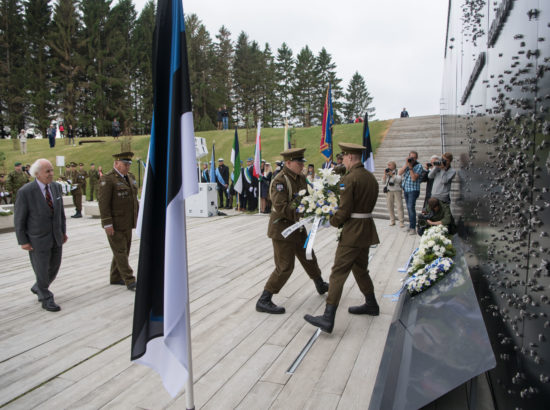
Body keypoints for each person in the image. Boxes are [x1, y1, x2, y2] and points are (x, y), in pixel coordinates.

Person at [304, 142, 379, 333]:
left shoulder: (350, 179)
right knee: (361, 269)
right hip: (366, 229)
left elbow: (344, 210)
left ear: (351, 158)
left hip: (352, 232)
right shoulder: (370, 178)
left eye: (344, 157)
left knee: (338, 273)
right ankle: (371, 304)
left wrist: (331, 221)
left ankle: (328, 317)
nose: (342, 159)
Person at [256, 147, 328, 314]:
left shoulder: (300, 177)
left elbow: (309, 194)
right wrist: (304, 209)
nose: (302, 165)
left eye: (302, 162)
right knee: (285, 266)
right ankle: (264, 299)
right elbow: (281, 206)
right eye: (298, 163)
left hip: (297, 227)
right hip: (282, 229)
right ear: (288, 163)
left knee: (309, 256)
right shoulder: (280, 181)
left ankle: (320, 284)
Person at [14, 159, 68, 312]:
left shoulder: (56, 187)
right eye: (47, 171)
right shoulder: (25, 192)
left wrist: (63, 232)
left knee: (54, 268)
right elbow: (19, 219)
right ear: (37, 174)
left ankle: (39, 286)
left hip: (56, 236)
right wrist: (23, 241)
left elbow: (60, 214)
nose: (51, 174)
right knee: (42, 269)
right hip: (37, 238)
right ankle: (46, 297)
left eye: (52, 170)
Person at [98, 152, 139, 291]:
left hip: (128, 221)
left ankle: (115, 277)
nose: (127, 167)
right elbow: (103, 203)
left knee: (124, 250)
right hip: (115, 223)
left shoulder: (131, 177)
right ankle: (130, 280)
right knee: (120, 251)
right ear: (116, 164)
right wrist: (107, 223)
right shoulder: (108, 180)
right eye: (124, 164)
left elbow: (134, 200)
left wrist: (137, 218)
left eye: (129, 164)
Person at [398, 150, 423, 235]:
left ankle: (413, 228)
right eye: (410, 157)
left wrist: (411, 167)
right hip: (406, 189)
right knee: (409, 208)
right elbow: (399, 173)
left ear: (416, 158)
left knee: (411, 207)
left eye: (414, 157)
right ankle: (411, 225)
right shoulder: (407, 164)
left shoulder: (419, 166)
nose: (412, 159)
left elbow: (414, 178)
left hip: (413, 190)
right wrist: (406, 165)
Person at [383, 161, 404, 227]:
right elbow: (383, 182)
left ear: (394, 166)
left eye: (389, 165)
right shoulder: (387, 172)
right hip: (389, 191)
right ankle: (392, 220)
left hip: (397, 191)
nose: (388, 166)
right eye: (388, 165)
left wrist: (392, 175)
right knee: (390, 206)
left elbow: (399, 180)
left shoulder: (398, 171)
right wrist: (384, 175)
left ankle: (401, 221)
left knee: (399, 206)